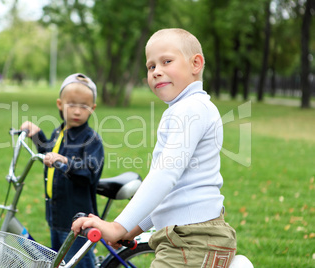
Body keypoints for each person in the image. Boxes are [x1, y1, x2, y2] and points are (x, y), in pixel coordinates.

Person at [72, 28, 237, 267]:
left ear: (196, 64)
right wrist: (131, 229)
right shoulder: (187, 108)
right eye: (151, 67)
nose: (157, 71)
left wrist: (118, 225)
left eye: (166, 61)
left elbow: (165, 174)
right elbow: (170, 193)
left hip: (192, 242)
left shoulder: (191, 108)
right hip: (188, 238)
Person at [21, 73, 104, 268]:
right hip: (56, 214)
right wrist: (36, 135)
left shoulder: (91, 140)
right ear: (60, 104)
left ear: (92, 109)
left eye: (83, 106)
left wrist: (67, 161)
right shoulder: (59, 132)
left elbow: (90, 172)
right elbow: (48, 155)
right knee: (60, 262)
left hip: (77, 219)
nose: (77, 111)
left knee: (79, 264)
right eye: (71, 105)